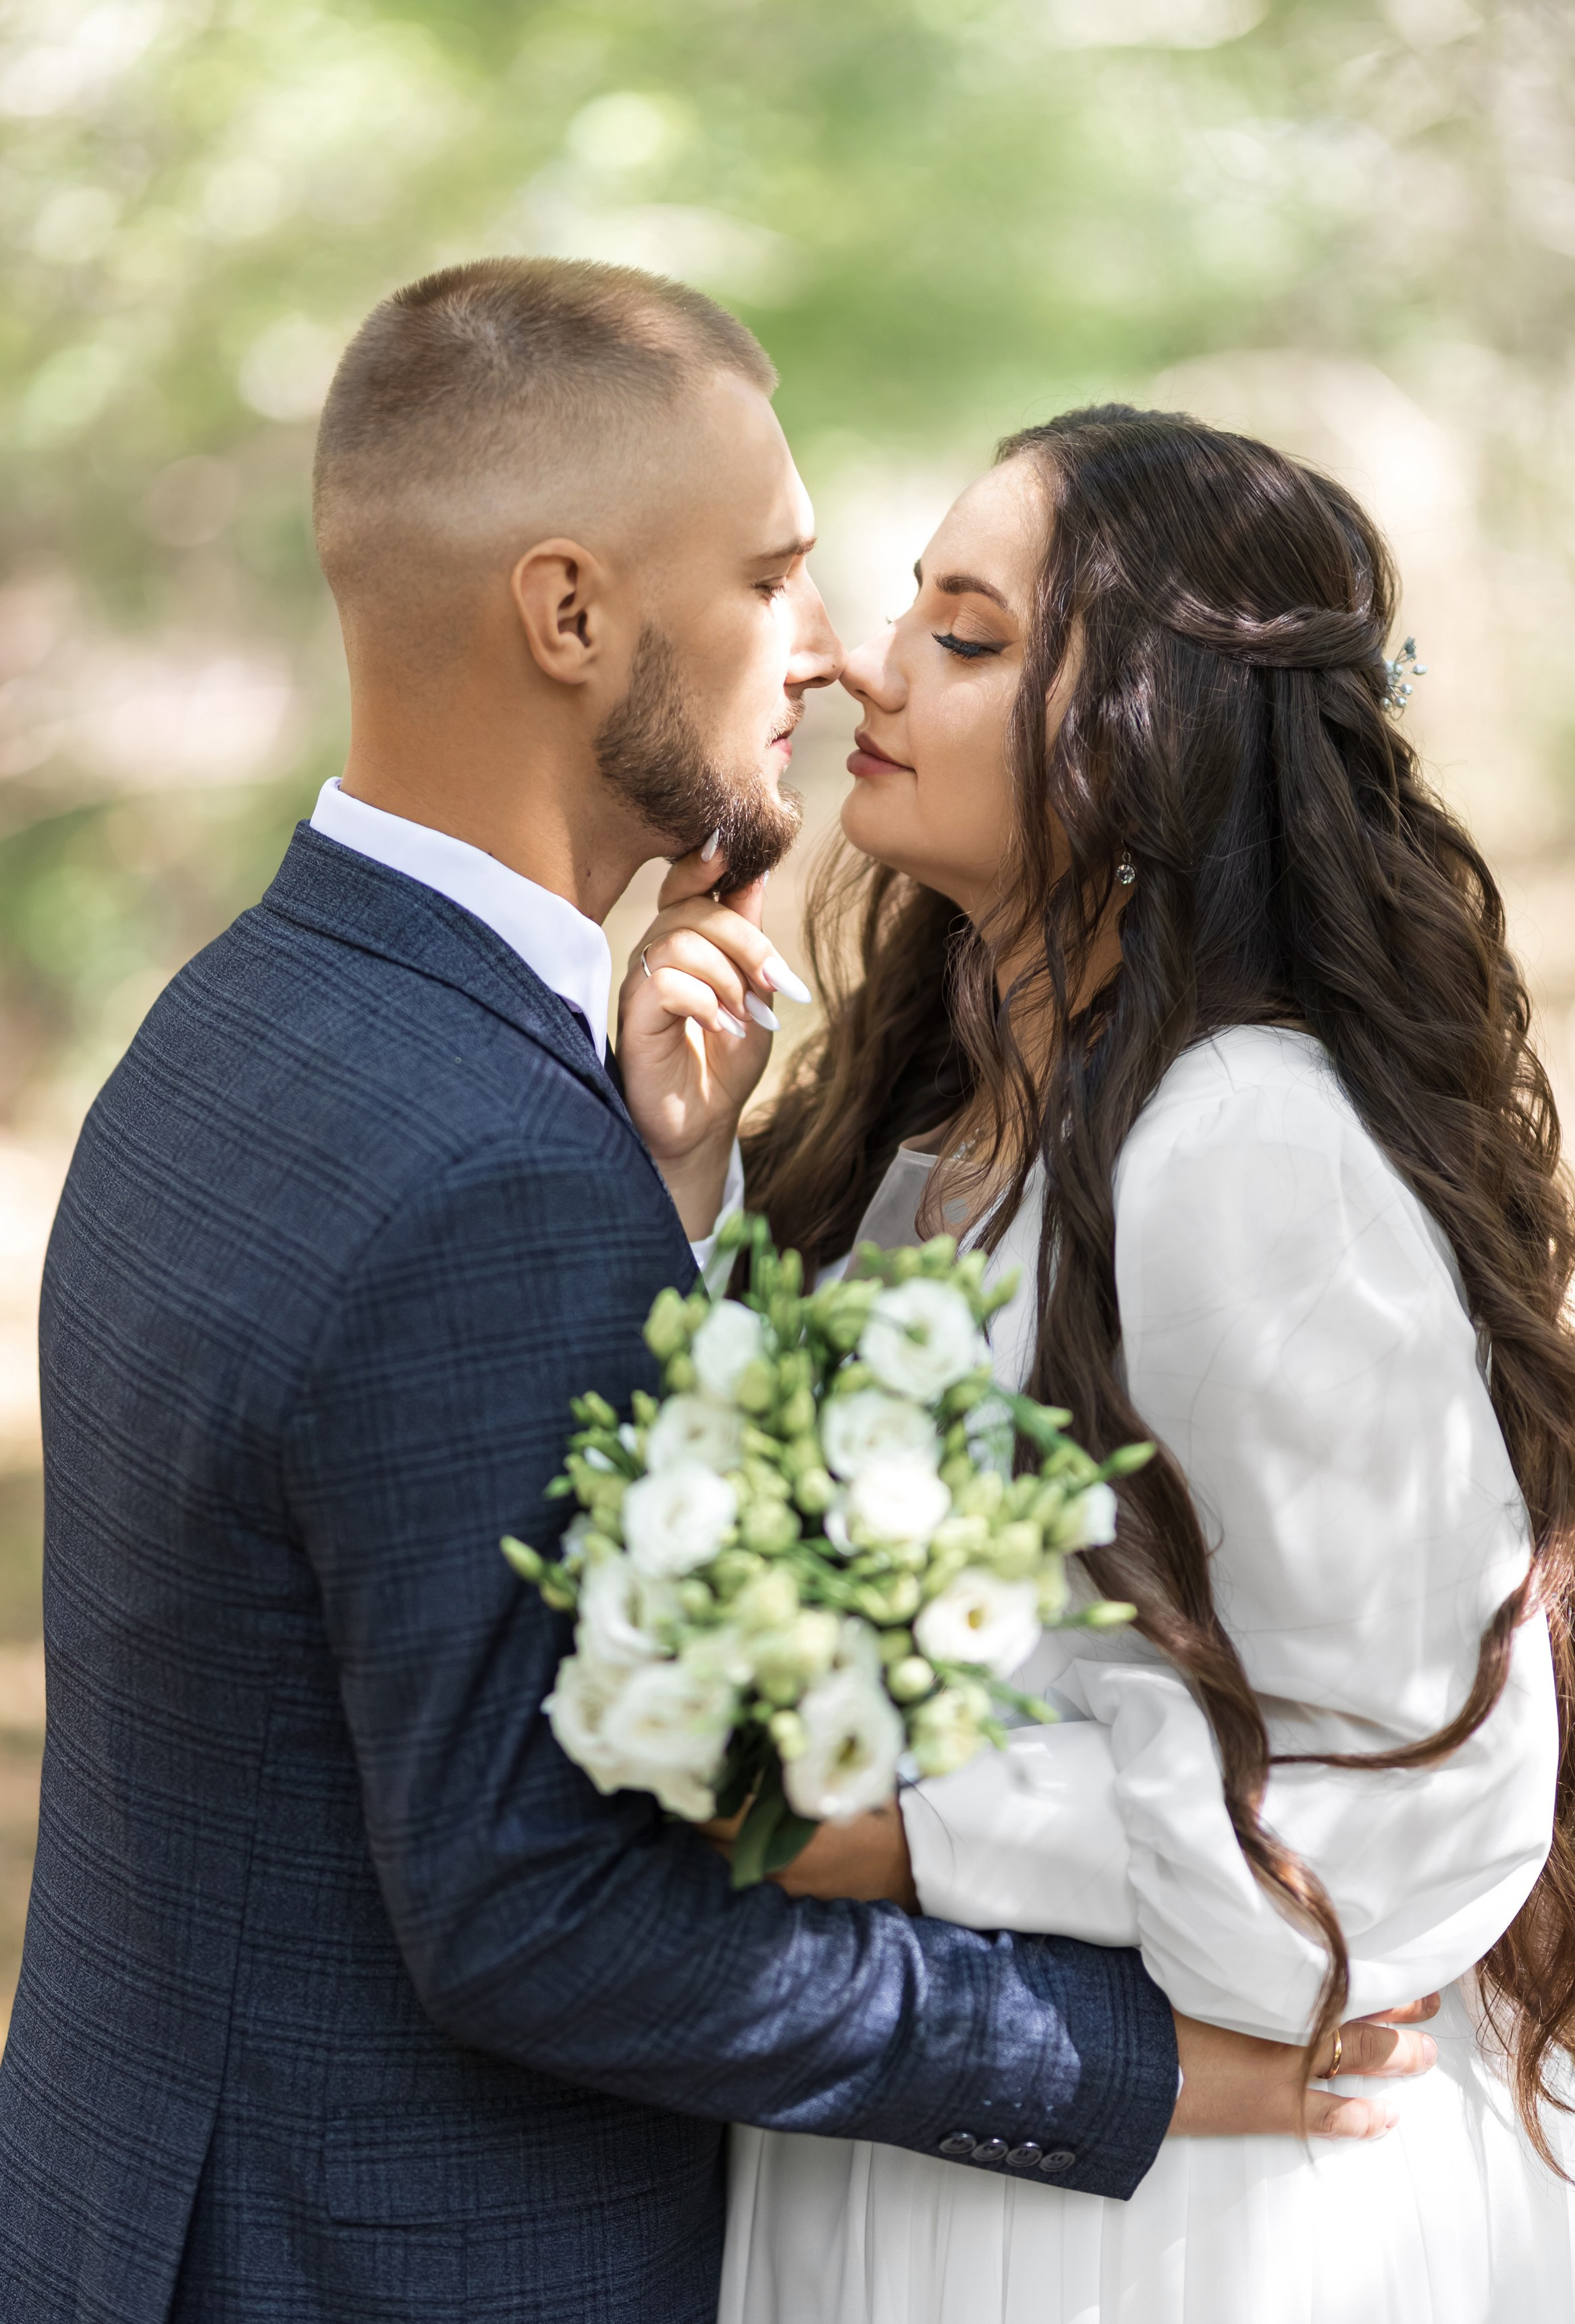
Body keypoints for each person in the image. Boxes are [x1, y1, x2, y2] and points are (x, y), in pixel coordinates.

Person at [0, 271, 1420, 2324]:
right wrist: (1142, 2074)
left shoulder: (240, 1023)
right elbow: (546, 1913)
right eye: (778, 578)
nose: (835, 657)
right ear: (569, 616)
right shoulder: (488, 1160)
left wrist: (671, 1205)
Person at [623, 405, 1575, 2322]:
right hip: (955, 2139)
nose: (876, 669)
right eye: (918, 612)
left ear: (1145, 732)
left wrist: (883, 1832)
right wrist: (688, 1177)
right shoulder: (934, 1138)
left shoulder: (1244, 1147)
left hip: (1181, 2223)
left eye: (970, 639)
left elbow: (1410, 1804)